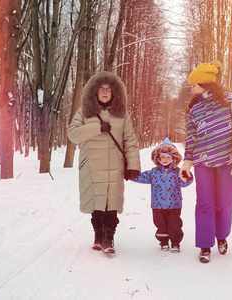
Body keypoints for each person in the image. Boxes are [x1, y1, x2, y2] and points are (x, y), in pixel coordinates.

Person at [180, 60, 232, 263]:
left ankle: (221, 236)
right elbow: (191, 137)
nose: (191, 88)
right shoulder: (195, 109)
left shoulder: (231, 101)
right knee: (204, 203)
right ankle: (204, 244)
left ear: (204, 83)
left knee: (225, 202)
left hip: (227, 161)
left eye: (193, 84)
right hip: (203, 164)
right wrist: (187, 162)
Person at [67, 71, 141, 255]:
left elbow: (130, 140)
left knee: (111, 205)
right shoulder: (83, 112)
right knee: (96, 205)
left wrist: (133, 165)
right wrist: (97, 127)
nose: (105, 92)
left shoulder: (122, 115)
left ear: (114, 92)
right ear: (95, 92)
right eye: (102, 89)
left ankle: (109, 238)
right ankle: (98, 235)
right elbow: (73, 134)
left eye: (109, 89)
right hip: (92, 167)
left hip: (114, 168)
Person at [130, 138, 194, 253]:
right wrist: (131, 174)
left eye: (167, 157)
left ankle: (175, 243)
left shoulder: (177, 172)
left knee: (175, 225)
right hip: (157, 205)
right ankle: (164, 242)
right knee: (161, 225)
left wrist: (188, 176)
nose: (164, 160)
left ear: (173, 159)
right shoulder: (154, 172)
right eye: (162, 157)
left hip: (174, 205)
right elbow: (141, 177)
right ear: (158, 158)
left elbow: (184, 183)